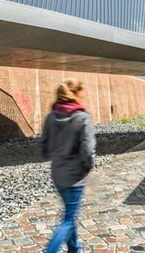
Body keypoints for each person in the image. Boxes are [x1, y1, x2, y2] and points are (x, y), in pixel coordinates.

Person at [40, 79, 96, 253]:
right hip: (74, 176)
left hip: (57, 173)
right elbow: (88, 150)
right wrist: (88, 167)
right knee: (69, 219)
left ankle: (74, 248)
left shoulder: (51, 117)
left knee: (69, 214)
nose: (83, 97)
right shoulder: (82, 118)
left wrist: (57, 155)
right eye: (82, 94)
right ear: (76, 94)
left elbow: (44, 146)